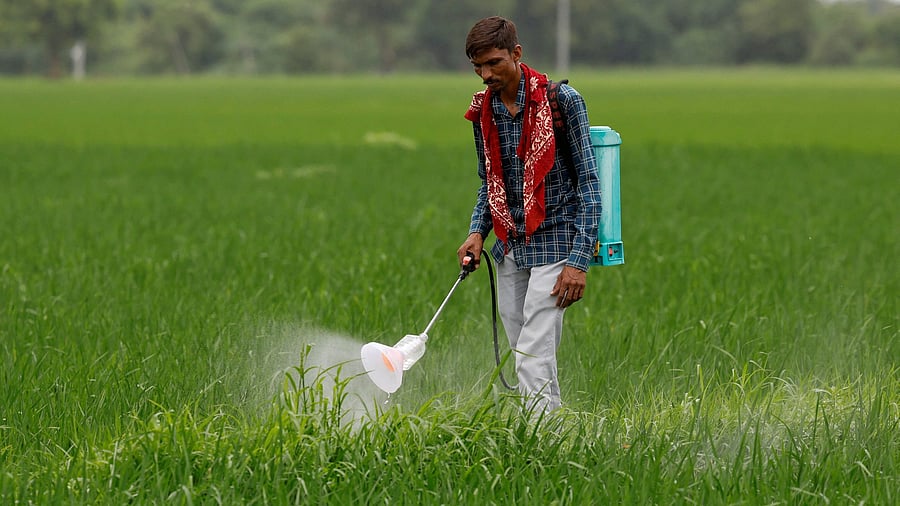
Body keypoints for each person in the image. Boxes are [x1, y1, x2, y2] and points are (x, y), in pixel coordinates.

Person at [456, 16, 601, 414]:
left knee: (532, 353)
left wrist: (579, 261)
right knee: (526, 350)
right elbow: (490, 181)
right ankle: (554, 432)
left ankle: (535, 442)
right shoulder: (483, 109)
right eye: (478, 67)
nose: (486, 74)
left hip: (556, 239)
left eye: (495, 63)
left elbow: (589, 182)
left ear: (517, 55)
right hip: (509, 246)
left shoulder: (562, 102)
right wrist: (477, 232)